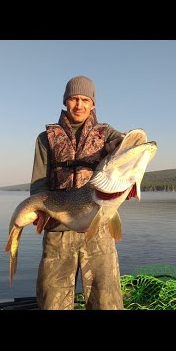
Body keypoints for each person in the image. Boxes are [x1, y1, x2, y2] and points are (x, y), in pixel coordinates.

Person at [30, 75, 125, 310]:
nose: (79, 105)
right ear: (65, 101)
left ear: (93, 104)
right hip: (58, 229)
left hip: (98, 228)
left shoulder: (106, 134)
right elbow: (38, 184)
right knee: (52, 301)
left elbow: (128, 145)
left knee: (106, 300)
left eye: (85, 99)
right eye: (74, 99)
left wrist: (119, 146)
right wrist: (40, 212)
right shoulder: (45, 139)